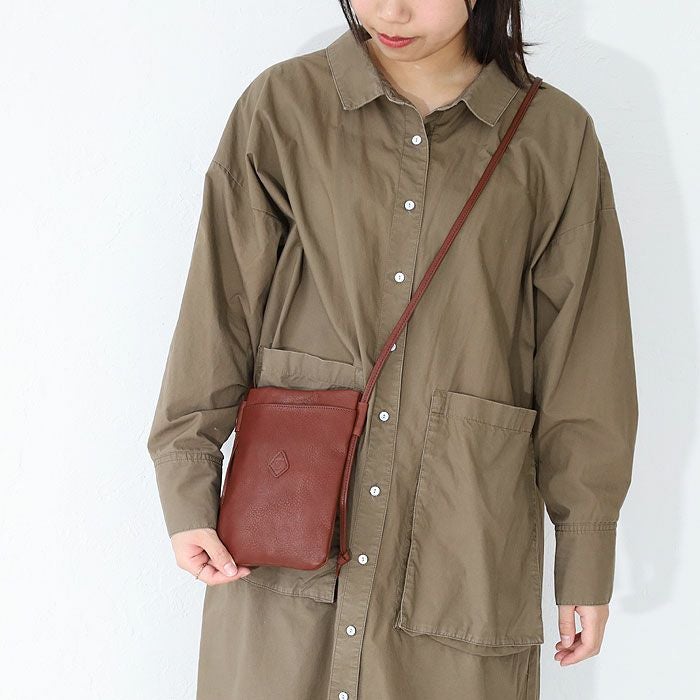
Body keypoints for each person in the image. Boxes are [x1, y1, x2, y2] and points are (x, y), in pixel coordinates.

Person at [146, 1, 639, 698]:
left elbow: (585, 360)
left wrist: (585, 552)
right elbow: (219, 309)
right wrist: (188, 481)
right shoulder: (285, 107)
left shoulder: (554, 137)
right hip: (286, 539)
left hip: (460, 549)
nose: (390, 11)